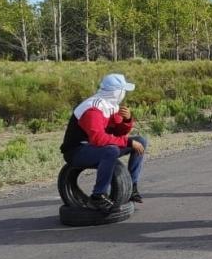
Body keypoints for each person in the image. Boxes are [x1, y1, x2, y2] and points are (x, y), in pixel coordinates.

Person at [60, 74, 147, 211]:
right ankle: (98, 196)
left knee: (140, 141)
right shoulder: (93, 109)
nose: (124, 94)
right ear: (116, 92)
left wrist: (127, 120)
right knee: (111, 150)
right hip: (77, 151)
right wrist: (129, 142)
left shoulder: (111, 105)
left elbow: (119, 133)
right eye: (123, 90)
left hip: (95, 147)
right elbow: (98, 139)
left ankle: (131, 187)